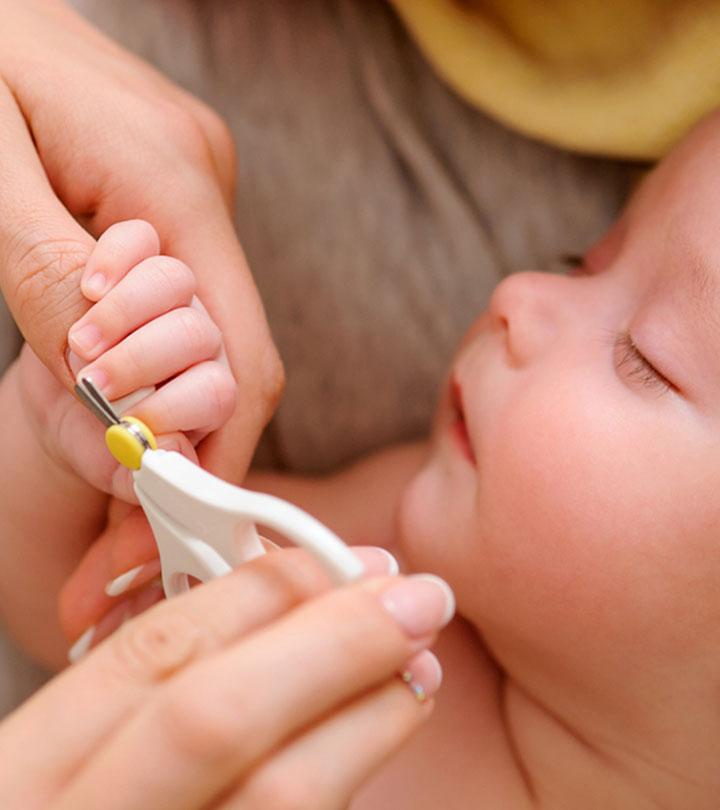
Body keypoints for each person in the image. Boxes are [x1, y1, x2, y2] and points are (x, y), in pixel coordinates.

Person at [14, 105, 720, 807]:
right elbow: (77, 615)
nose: (520, 294)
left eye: (645, 358)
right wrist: (62, 432)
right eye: (585, 262)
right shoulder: (376, 555)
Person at [0, 219, 454, 808]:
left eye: (621, 349)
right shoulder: (402, 505)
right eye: (578, 263)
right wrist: (50, 431)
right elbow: (66, 626)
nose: (518, 298)